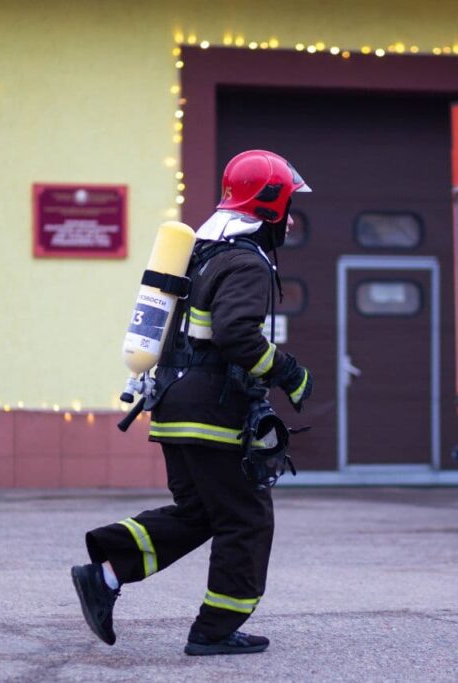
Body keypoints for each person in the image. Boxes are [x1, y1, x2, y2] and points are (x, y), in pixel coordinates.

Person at [71, 150, 313, 656]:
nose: (291, 220)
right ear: (269, 205)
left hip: (173, 405)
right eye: (289, 206)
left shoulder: (201, 251)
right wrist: (290, 373)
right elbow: (235, 336)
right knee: (247, 518)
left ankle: (107, 574)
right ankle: (215, 630)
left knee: (201, 512)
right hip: (212, 414)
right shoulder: (245, 261)